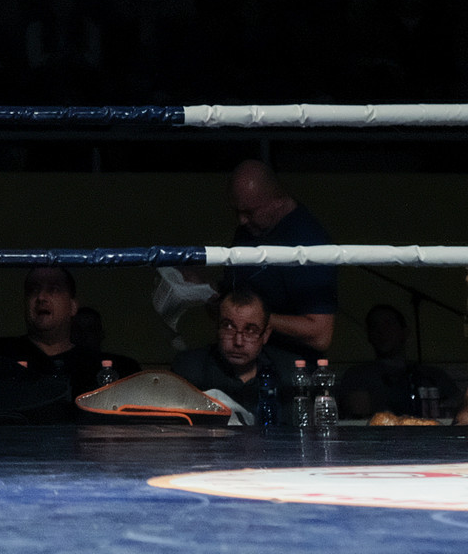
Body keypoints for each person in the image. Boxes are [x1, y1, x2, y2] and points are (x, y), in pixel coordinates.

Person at [218, 161, 337, 358]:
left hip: (282, 359)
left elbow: (321, 335)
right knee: (187, 364)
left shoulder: (307, 241)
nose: (242, 220)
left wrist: (254, 318)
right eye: (237, 211)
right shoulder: (251, 228)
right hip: (240, 352)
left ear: (278, 201)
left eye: (249, 212)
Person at [0, 268, 105, 397]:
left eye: (53, 289)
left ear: (73, 306)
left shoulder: (95, 367)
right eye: (33, 290)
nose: (41, 297)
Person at [172, 290, 289, 419]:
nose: (238, 342)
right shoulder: (189, 369)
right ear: (217, 328)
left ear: (265, 335)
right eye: (228, 327)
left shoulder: (286, 374)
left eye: (250, 331)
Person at [335, 304, 462, 420]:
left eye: (388, 325)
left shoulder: (431, 374)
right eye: (374, 326)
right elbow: (357, 416)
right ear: (369, 335)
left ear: (404, 332)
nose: (381, 331)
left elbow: (458, 406)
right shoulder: (358, 375)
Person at [66, 306, 141, 382]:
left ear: (101, 334)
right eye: (78, 329)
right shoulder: (62, 367)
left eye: (91, 329)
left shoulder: (125, 366)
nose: (84, 334)